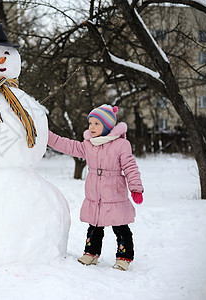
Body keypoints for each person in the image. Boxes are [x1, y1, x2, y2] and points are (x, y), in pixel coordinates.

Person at [47, 104, 144, 271]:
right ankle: (91, 253)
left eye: (96, 123)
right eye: (90, 123)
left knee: (120, 226)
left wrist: (135, 188)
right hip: (95, 194)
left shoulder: (121, 145)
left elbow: (130, 166)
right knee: (94, 225)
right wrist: (45, 135)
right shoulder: (88, 145)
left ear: (107, 126)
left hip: (114, 193)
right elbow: (66, 145)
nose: (91, 127)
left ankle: (124, 256)